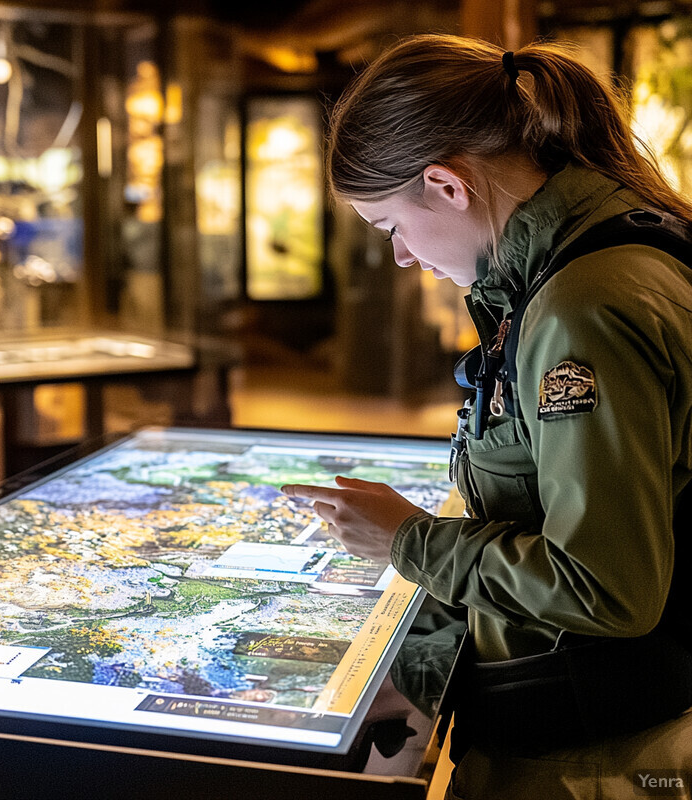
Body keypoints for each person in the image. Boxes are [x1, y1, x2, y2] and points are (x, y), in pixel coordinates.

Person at [281, 34, 692, 799]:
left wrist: (405, 539)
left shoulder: (582, 308)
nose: (402, 257)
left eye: (391, 227)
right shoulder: (577, 267)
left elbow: (606, 588)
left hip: (593, 754)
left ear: (445, 184)